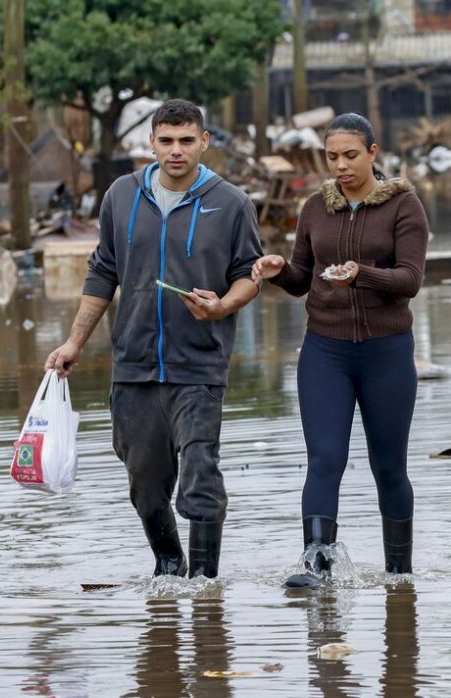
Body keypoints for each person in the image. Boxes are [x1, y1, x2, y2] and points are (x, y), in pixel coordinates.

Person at [45, 98, 280, 579]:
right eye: (167, 141)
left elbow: (248, 275)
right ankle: (169, 567)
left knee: (200, 473)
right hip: (133, 364)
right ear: (151, 142)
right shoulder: (121, 195)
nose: (176, 150)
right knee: (145, 483)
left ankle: (206, 584)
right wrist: (74, 342)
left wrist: (222, 305)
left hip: (199, 364)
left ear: (204, 142)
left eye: (187, 141)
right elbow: (103, 272)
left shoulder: (232, 203)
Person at [252, 113, 428, 588]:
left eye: (350, 155)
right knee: (325, 458)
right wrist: (278, 270)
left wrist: (360, 274)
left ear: (373, 153)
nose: (341, 166)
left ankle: (399, 575)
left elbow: (410, 279)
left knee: (388, 467)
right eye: (332, 157)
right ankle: (316, 563)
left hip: (386, 353)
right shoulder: (315, 208)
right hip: (325, 353)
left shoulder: (404, 206)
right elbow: (301, 279)